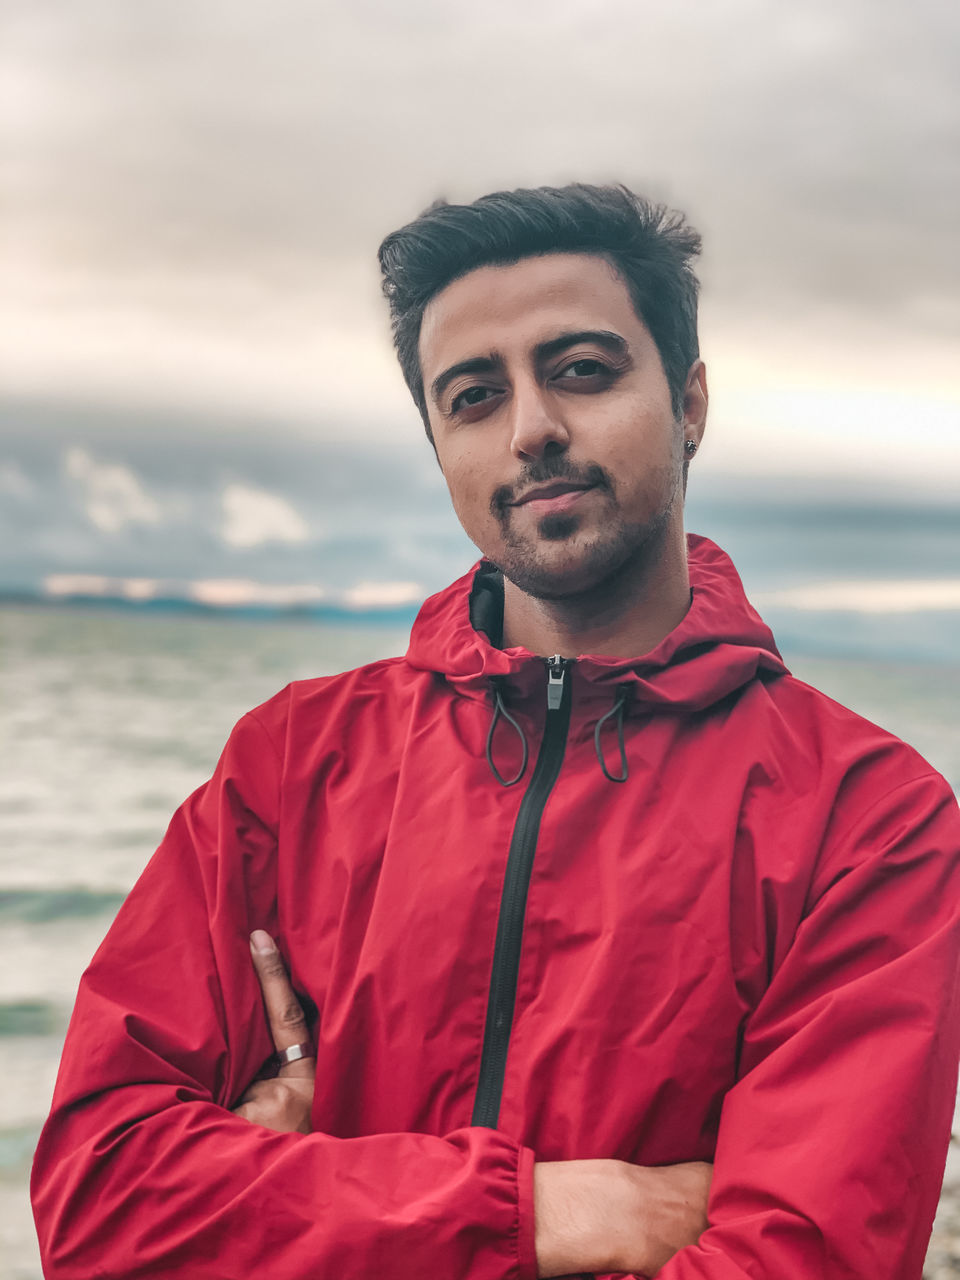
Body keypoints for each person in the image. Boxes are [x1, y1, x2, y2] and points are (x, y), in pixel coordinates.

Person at [32, 184, 960, 1279]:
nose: (532, 429)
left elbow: (807, 1259)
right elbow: (101, 1205)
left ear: (691, 400)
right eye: (474, 396)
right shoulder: (289, 764)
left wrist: (293, 1201)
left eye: (582, 370)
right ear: (439, 445)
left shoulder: (869, 816)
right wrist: (545, 1212)